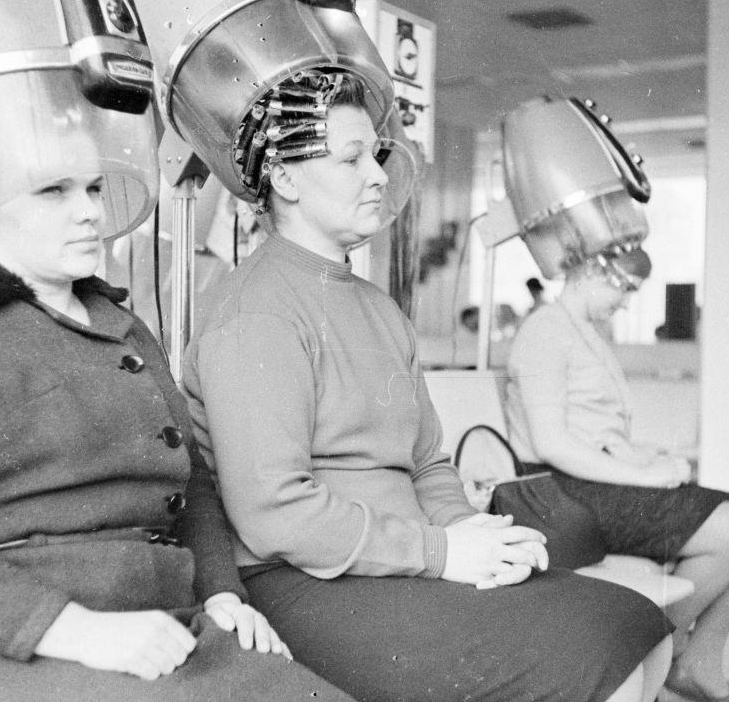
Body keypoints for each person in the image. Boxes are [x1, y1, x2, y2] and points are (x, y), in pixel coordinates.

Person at [183, 70, 674, 702]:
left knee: (639, 627)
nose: (380, 176)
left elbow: (428, 462)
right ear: (284, 177)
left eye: (378, 156)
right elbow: (275, 512)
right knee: (596, 659)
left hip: (401, 558)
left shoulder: (378, 308)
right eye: (352, 157)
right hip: (301, 581)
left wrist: (472, 532)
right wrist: (440, 552)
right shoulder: (258, 312)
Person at [0, 178, 352, 701]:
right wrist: (80, 632)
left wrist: (222, 595)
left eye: (93, 188)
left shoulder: (125, 328)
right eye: (53, 191)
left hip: (161, 626)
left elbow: (192, 484)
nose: (90, 211)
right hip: (5, 649)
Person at [505, 248, 729, 702]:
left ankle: (699, 659)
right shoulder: (545, 331)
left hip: (593, 480)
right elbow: (552, 443)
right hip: (561, 492)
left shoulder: (584, 330)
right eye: (625, 288)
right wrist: (647, 478)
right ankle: (649, 643)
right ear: (592, 270)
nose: (628, 301)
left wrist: (647, 458)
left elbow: (597, 433)